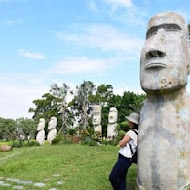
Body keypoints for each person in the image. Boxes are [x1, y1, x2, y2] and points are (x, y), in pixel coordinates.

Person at [109, 112, 139, 190]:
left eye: (129, 121)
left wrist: (121, 141)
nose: (128, 122)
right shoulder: (138, 133)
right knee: (122, 178)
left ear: (132, 123)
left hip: (124, 158)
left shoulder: (131, 133)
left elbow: (121, 143)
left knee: (113, 177)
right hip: (129, 159)